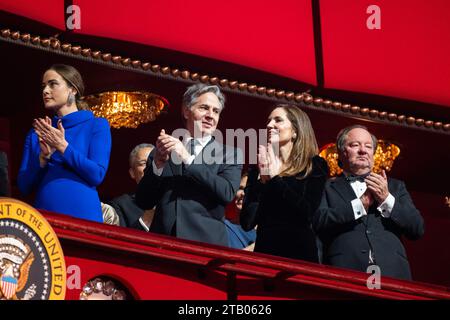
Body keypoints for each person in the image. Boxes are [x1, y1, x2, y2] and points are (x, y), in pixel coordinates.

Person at [313, 125, 424, 280]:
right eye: (355, 145)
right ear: (341, 152)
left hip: (393, 275)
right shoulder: (326, 187)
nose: (363, 150)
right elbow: (318, 221)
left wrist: (386, 199)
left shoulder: (396, 187)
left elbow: (417, 228)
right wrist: (359, 205)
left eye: (368, 146)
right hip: (344, 274)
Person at [136, 83, 242, 246]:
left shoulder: (230, 154)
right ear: (186, 111)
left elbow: (226, 192)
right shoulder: (165, 150)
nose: (210, 115)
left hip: (205, 245)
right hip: (163, 244)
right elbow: (144, 201)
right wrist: (157, 166)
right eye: (204, 108)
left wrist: (188, 159)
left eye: (216, 111)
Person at [17, 64, 111, 223]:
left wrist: (62, 147)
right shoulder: (37, 133)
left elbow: (97, 174)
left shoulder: (97, 125)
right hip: (44, 222)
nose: (45, 91)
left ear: (72, 89)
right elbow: (24, 187)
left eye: (53, 84)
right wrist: (42, 159)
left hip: (85, 219)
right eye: (44, 86)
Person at [240, 104, 328, 262]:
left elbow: (306, 213)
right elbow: (247, 222)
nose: (269, 125)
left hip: (298, 256)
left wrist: (274, 180)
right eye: (268, 121)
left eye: (278, 120)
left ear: (295, 131)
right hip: (265, 256)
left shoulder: (314, 166)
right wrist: (261, 182)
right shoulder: (258, 167)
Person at [108, 143, 156, 231]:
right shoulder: (121, 205)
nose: (150, 166)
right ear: (132, 173)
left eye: (154, 162)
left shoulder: (172, 200)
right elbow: (120, 241)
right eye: (143, 163)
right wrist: (147, 219)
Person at [224, 172, 257, 250]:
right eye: (241, 188)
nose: (243, 193)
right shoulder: (224, 227)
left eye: (249, 190)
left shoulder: (272, 234)